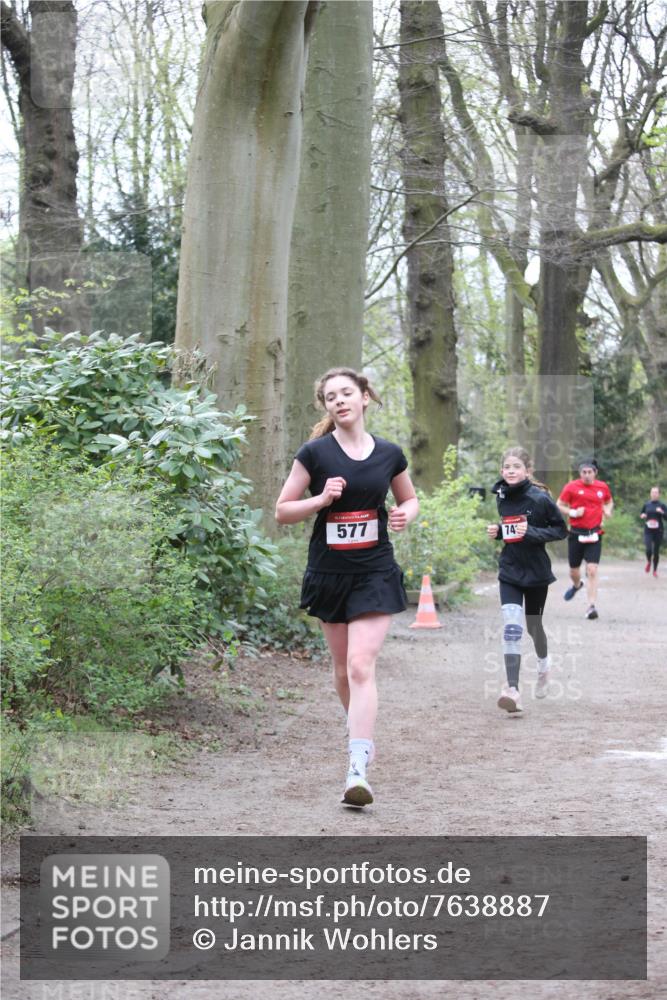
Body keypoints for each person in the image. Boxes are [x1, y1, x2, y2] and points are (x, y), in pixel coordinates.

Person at [275, 368, 418, 806]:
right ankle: (362, 733)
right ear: (326, 407)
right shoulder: (315, 454)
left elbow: (409, 499)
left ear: (364, 398)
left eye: (346, 393)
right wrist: (320, 500)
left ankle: (357, 767)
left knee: (360, 666)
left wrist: (404, 515)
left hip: (374, 570)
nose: (339, 401)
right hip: (329, 572)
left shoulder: (390, 454)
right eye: (330, 396)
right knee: (342, 672)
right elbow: (283, 510)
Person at [486, 446, 567, 714]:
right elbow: (511, 531)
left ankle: (544, 666)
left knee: (533, 627)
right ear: (502, 471)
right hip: (510, 569)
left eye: (516, 467)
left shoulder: (540, 499)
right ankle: (512, 690)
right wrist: (498, 532)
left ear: (527, 472)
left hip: (535, 572)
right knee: (511, 626)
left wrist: (530, 531)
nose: (510, 471)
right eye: (507, 467)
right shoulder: (501, 496)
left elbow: (560, 530)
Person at [557, 460, 613, 620]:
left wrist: (607, 511)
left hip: (595, 533)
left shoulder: (602, 487)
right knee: (574, 571)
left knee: (592, 570)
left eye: (590, 472)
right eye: (584, 472)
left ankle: (591, 606)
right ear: (580, 473)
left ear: (595, 472)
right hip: (576, 533)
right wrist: (573, 513)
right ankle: (577, 585)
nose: (587, 475)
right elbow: (559, 504)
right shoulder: (571, 487)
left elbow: (609, 501)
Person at [640, 486, 665, 577]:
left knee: (656, 551)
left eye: (656, 492)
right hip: (648, 530)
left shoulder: (662, 505)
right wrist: (642, 515)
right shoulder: (647, 504)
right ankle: (648, 561)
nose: (654, 494)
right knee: (648, 549)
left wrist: (662, 512)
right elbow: (642, 513)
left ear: (658, 494)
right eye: (652, 492)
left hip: (658, 531)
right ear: (650, 494)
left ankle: (655, 570)